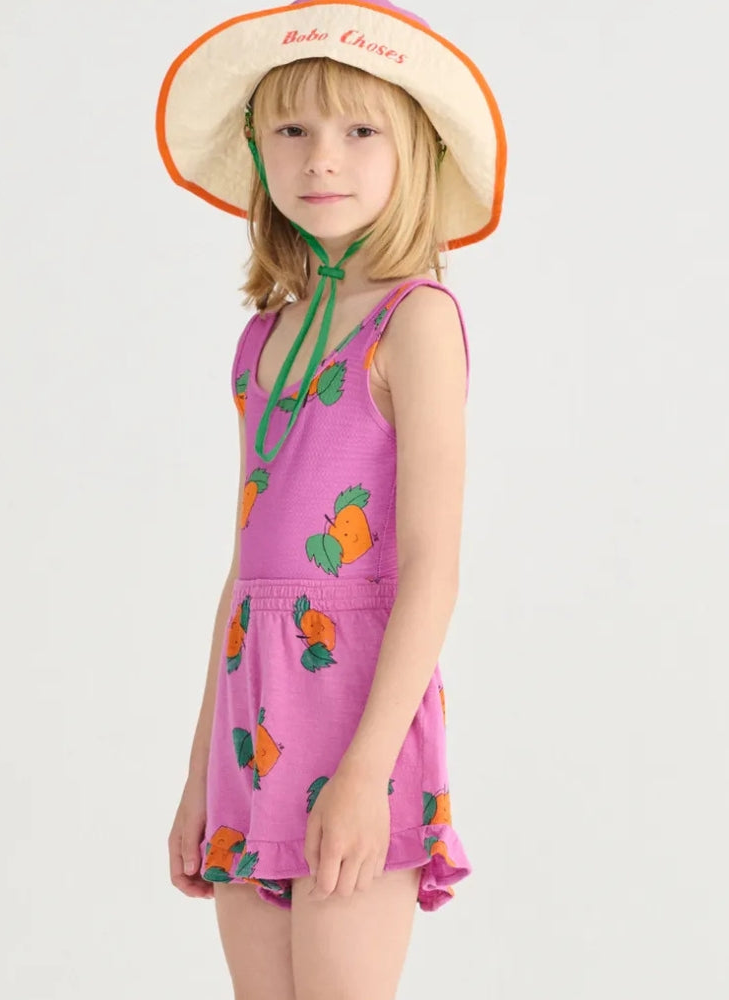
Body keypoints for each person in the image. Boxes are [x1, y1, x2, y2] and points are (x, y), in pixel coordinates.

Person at [158, 1, 506, 996]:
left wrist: (364, 770)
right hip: (252, 717)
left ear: (412, 152)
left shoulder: (417, 321)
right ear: (257, 150)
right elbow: (244, 570)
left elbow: (432, 569)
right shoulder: (262, 337)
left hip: (360, 713)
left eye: (360, 130)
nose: (322, 157)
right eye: (292, 129)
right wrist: (199, 774)